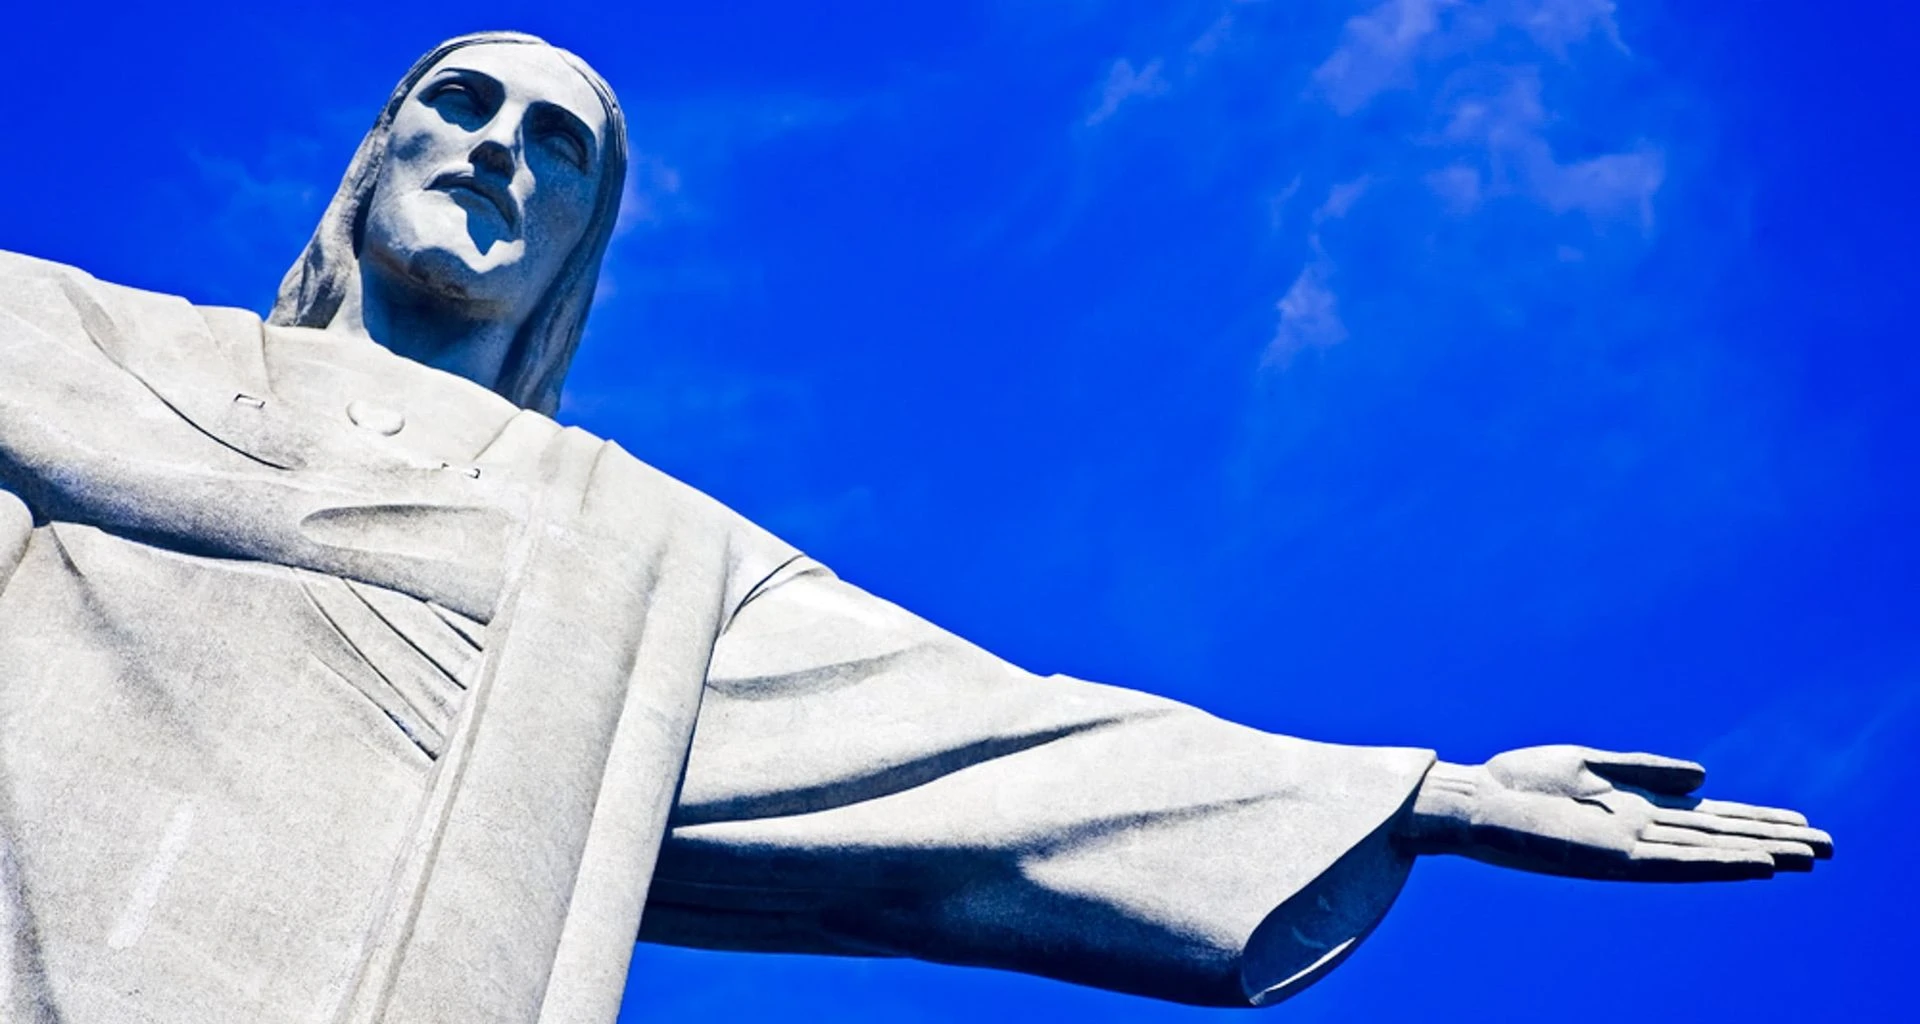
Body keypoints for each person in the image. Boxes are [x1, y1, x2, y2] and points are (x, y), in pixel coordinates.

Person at [0, 31, 1829, 1024]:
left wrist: (1421, 792)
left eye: (561, 148)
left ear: (577, 250)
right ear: (374, 153)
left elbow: (998, 745)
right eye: (463, 105)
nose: (502, 151)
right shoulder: (68, 343)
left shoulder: (629, 554)